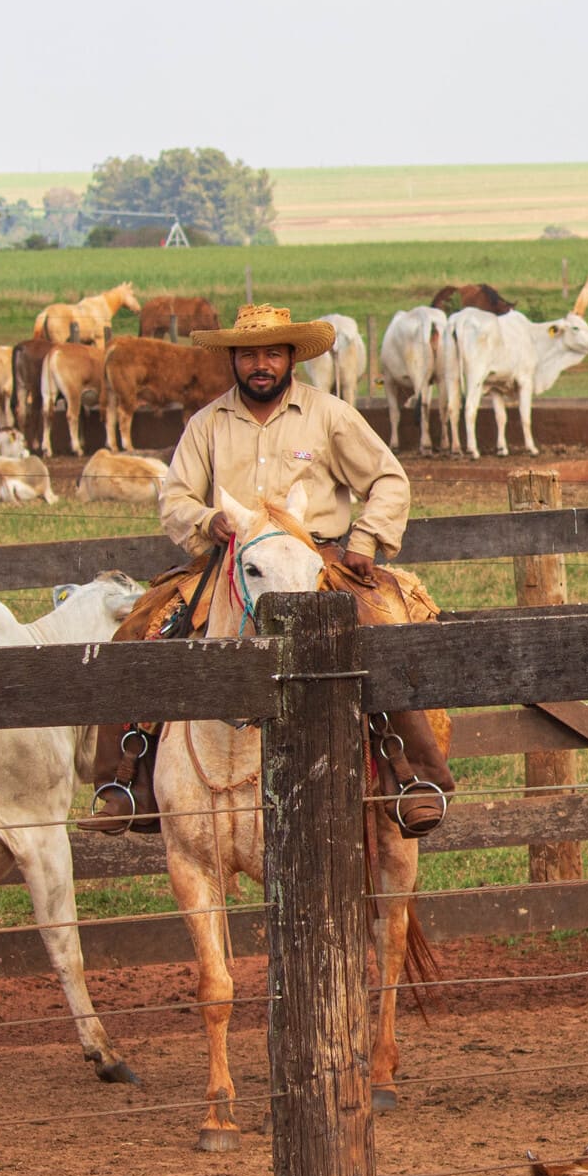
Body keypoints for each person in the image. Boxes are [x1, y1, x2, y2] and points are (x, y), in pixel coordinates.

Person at [83, 304, 413, 832]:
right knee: (139, 632)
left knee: (383, 631)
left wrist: (366, 540)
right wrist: (207, 519)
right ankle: (124, 782)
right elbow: (175, 497)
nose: (261, 364)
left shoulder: (329, 415)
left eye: (272, 354)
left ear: (291, 358)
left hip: (316, 553)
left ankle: (411, 772)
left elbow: (389, 479)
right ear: (233, 360)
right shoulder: (207, 423)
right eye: (249, 355)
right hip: (232, 557)